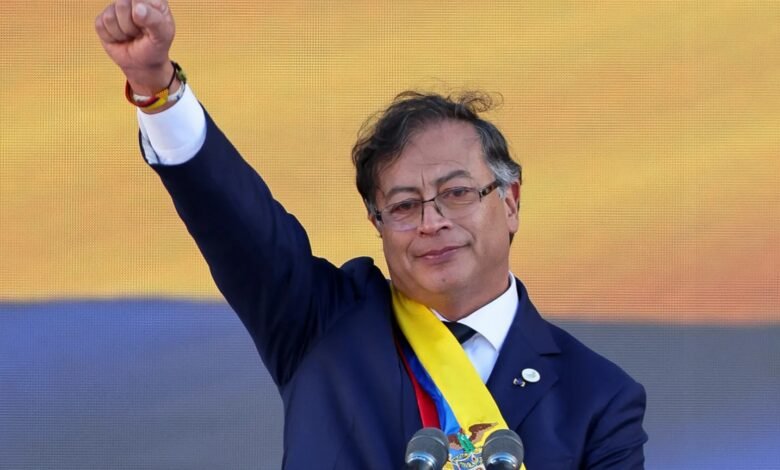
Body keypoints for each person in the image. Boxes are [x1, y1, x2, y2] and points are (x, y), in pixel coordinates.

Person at [95, 1, 648, 468]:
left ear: (510, 201)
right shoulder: (320, 322)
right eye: (404, 205)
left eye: (456, 193)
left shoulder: (598, 398)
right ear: (377, 224)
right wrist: (157, 88)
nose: (432, 221)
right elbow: (234, 219)